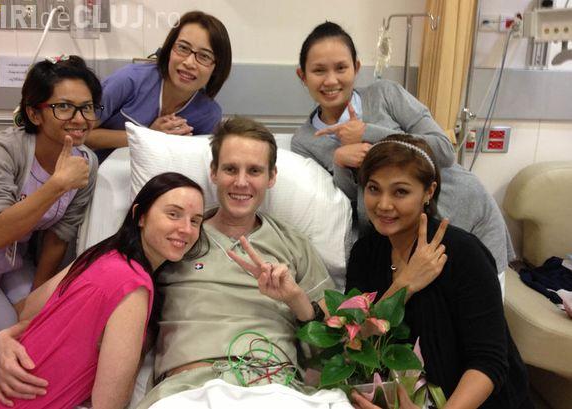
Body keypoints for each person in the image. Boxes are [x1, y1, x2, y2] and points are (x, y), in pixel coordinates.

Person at [133, 117, 337, 407]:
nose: (241, 182)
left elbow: (333, 346)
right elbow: (122, 303)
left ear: (271, 177)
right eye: (230, 169)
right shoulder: (179, 238)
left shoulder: (294, 244)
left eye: (254, 170)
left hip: (273, 389)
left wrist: (297, 300)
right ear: (213, 172)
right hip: (190, 390)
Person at [291, 21, 514, 280]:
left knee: (477, 295)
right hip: (396, 236)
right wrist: (340, 162)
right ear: (302, 76)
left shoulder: (385, 95)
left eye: (341, 68)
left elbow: (443, 150)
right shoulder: (304, 141)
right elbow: (347, 203)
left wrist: (367, 132)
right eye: (319, 70)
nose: (331, 80)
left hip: (462, 209)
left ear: (356, 68)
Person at [0, 172, 208, 409]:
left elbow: (27, 310)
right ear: (140, 216)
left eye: (195, 220)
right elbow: (109, 402)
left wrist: (5, 336)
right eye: (173, 214)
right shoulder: (134, 288)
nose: (186, 229)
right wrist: (2, 340)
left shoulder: (99, 255)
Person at [345, 135, 532, 409]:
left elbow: (488, 361)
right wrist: (404, 286)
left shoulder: (463, 253)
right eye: (374, 188)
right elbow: (356, 340)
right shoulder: (365, 254)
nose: (383, 204)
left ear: (428, 192)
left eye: (400, 192)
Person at [0, 55, 99, 385]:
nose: (79, 118)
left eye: (87, 108)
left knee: (40, 325)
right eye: (64, 107)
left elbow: (58, 236)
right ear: (34, 113)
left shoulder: (86, 164)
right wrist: (57, 185)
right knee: (7, 341)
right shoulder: (4, 149)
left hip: (12, 263)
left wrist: (36, 298)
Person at [86, 10, 232, 162]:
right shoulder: (129, 80)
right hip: (98, 171)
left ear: (217, 68)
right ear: (169, 50)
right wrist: (148, 136)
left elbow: (198, 163)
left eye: (204, 56)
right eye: (183, 48)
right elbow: (82, 134)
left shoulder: (209, 114)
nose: (189, 62)